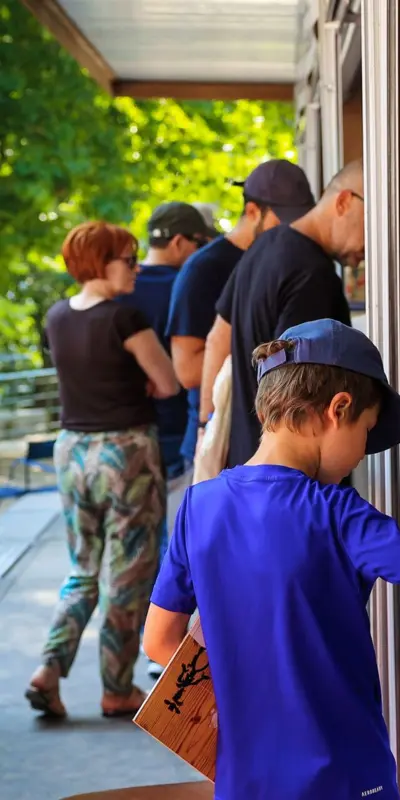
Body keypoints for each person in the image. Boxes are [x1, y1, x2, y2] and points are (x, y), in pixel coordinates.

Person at [144, 318, 400, 800]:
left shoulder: (197, 508)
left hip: (244, 781)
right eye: (367, 431)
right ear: (338, 409)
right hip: (344, 778)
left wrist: (244, 692)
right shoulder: (336, 512)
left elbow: (159, 640)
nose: (361, 454)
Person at [25, 221, 180, 719]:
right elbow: (169, 381)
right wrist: (147, 383)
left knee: (83, 569)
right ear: (101, 262)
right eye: (128, 259)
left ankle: (49, 669)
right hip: (125, 453)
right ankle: (117, 689)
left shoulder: (56, 317)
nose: (136, 268)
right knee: (128, 574)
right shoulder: (124, 318)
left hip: (72, 452)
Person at [201, 159, 364, 469]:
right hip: (289, 480)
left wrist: (205, 425)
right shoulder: (313, 275)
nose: (372, 244)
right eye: (374, 221)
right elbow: (301, 395)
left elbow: (217, 337)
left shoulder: (262, 247)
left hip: (248, 463)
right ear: (345, 202)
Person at [166, 160, 315, 464]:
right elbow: (186, 371)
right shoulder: (203, 269)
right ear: (251, 212)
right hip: (220, 435)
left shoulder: (289, 258)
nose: (291, 231)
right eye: (282, 220)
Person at [117, 201, 214, 480]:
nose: (201, 251)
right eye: (200, 242)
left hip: (129, 426)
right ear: (179, 242)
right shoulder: (191, 286)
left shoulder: (121, 289)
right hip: (180, 425)